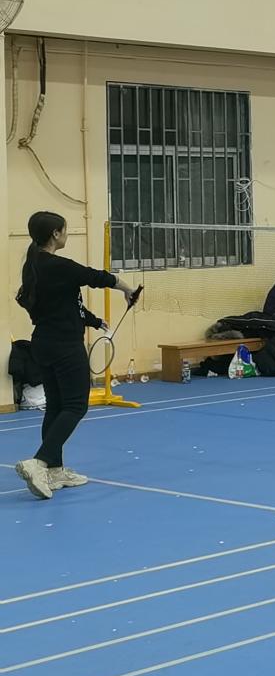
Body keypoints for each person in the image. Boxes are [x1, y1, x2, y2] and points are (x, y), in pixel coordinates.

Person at [13, 210, 143, 499]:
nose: (67, 234)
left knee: (56, 406)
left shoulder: (33, 266)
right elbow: (96, 277)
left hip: (43, 343)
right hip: (65, 346)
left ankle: (55, 470)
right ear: (55, 234)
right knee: (75, 406)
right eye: (65, 229)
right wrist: (127, 289)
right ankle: (39, 462)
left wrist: (93, 321)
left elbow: (64, 304)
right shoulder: (58, 266)